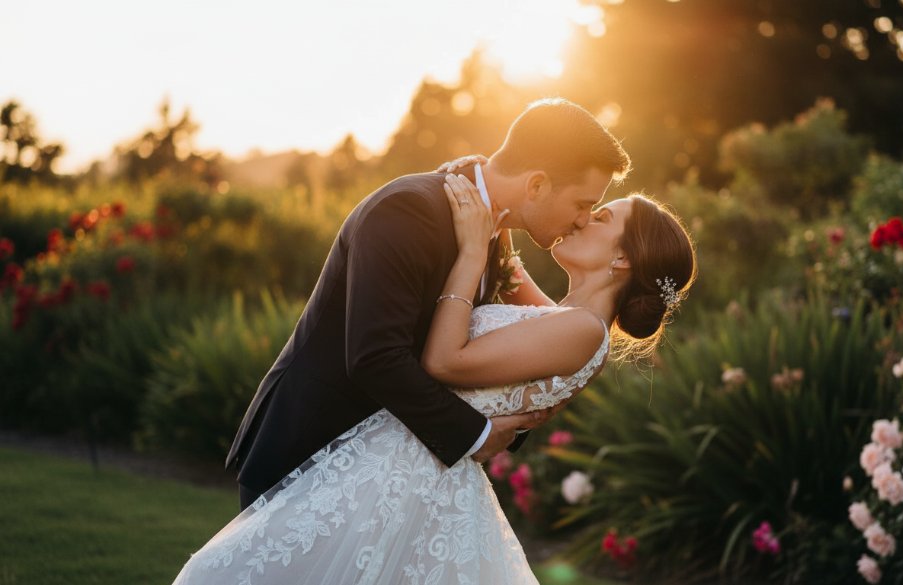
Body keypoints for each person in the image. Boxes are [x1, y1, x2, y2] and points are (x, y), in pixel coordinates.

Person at [172, 166, 697, 584]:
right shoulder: (567, 319)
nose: (583, 219)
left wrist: (471, 252)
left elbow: (445, 361)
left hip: (404, 477)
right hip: (401, 462)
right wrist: (489, 200)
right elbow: (513, 276)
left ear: (624, 258)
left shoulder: (582, 331)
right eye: (587, 207)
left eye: (600, 217)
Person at [223, 98, 632, 513]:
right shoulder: (409, 210)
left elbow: (520, 341)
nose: (583, 219)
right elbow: (374, 356)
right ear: (537, 185)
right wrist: (476, 434)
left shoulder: (492, 234)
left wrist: (529, 401)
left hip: (384, 477)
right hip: (311, 453)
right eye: (583, 204)